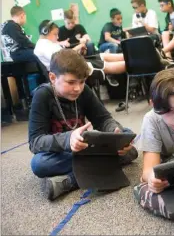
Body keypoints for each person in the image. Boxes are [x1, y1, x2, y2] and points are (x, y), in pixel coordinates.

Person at [28, 49, 138, 201]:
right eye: (71, 82)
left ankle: (69, 181)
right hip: (64, 152)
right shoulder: (43, 95)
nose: (77, 88)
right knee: (39, 164)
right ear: (53, 77)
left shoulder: (83, 91)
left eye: (82, 81)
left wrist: (115, 132)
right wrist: (69, 139)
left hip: (87, 147)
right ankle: (99, 168)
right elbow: (35, 142)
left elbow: (103, 119)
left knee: (128, 140)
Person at [35, 20, 126, 87]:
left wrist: (79, 51)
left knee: (102, 56)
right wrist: (78, 47)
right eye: (55, 34)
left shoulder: (47, 43)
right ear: (45, 32)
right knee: (105, 65)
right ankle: (134, 62)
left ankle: (130, 56)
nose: (57, 37)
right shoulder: (43, 46)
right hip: (69, 70)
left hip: (71, 65)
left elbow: (65, 55)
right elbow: (63, 58)